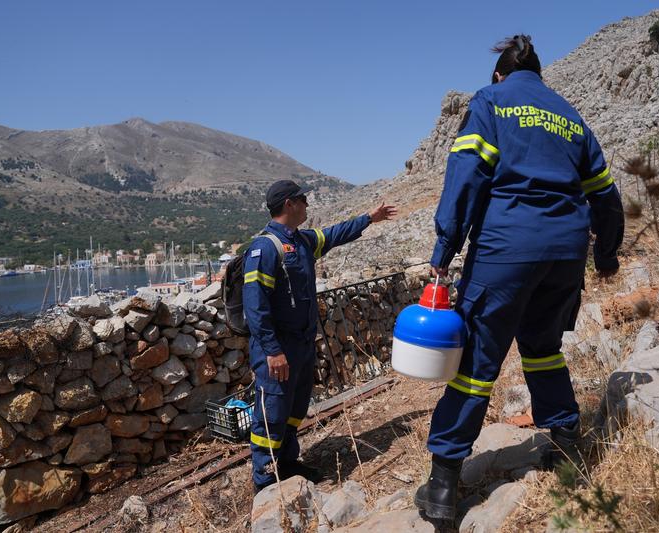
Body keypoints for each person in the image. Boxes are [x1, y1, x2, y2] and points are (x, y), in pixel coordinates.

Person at [414, 35, 624, 520]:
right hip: (566, 254)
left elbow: (466, 175)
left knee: (476, 361)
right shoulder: (570, 115)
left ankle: (444, 485)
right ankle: (566, 441)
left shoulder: (490, 102)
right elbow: (605, 195)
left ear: (498, 75)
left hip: (507, 248)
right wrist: (607, 256)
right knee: (543, 346)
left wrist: (444, 247)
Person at [243, 179, 397, 493]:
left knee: (294, 410)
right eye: (302, 200)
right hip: (277, 349)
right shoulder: (265, 248)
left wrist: (369, 218)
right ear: (289, 204)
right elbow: (255, 306)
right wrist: (272, 351)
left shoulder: (302, 241)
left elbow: (337, 233)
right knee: (270, 416)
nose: (307, 205)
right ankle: (264, 482)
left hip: (301, 346)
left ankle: (287, 464)